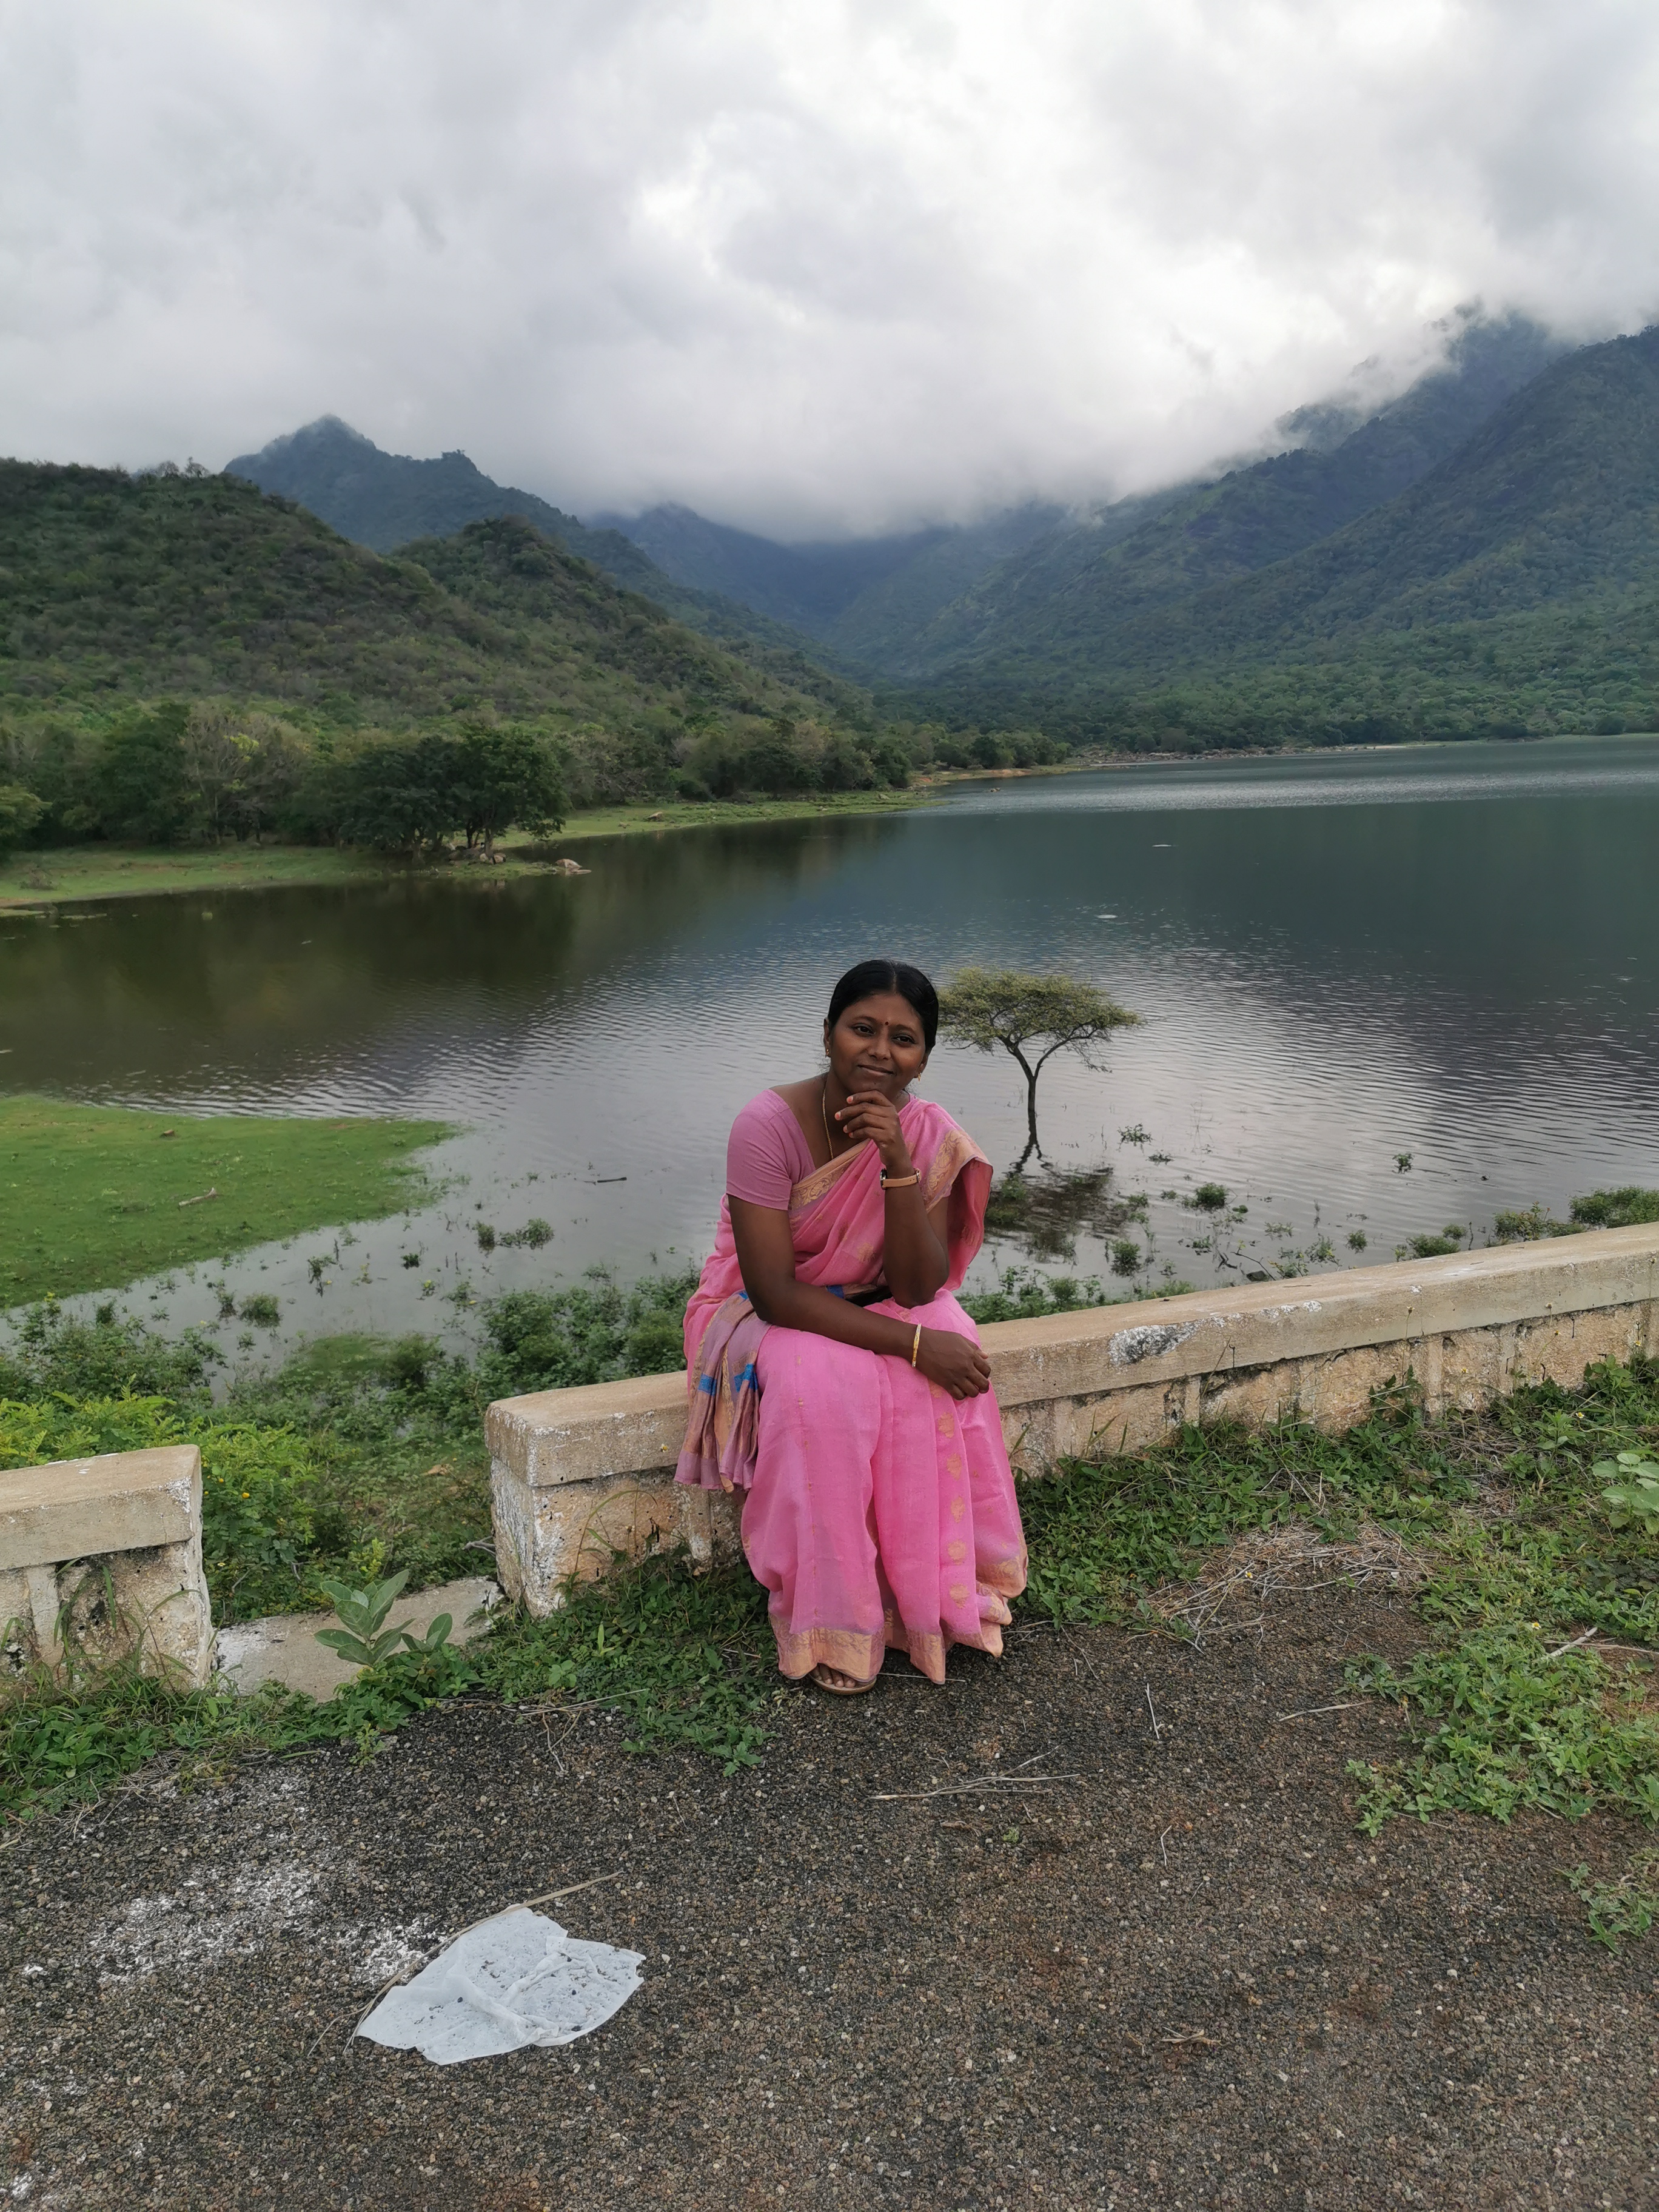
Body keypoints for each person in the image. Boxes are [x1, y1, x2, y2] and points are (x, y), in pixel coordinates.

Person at [675, 957, 1028, 1694]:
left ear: (923, 1058)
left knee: (954, 1332)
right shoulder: (767, 1126)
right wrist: (915, 1345)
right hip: (761, 1308)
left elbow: (918, 1286)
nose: (879, 1051)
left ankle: (924, 1594)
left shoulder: (927, 1133)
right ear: (828, 1032)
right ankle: (836, 1622)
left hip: (880, 1296)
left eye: (903, 1038)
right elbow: (774, 1293)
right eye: (862, 1028)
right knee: (822, 1386)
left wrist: (896, 1159)